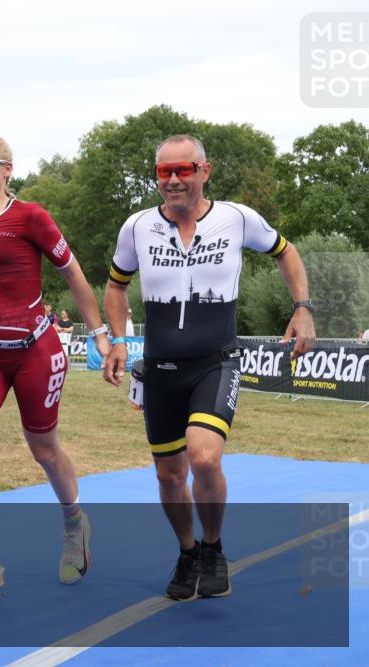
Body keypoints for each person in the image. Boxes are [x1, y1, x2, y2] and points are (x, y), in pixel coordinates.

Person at [102, 134, 316, 601]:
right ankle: (188, 552)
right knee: (169, 475)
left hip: (215, 363)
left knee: (204, 456)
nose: (174, 180)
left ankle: (214, 548)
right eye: (164, 172)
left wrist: (302, 307)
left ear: (204, 170)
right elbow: (115, 286)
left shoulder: (237, 219)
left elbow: (287, 252)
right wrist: (118, 340)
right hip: (160, 370)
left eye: (183, 169)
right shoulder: (137, 226)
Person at [0, 134, 110, 596]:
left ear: (8, 169)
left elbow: (73, 273)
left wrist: (98, 333)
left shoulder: (30, 216)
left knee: (44, 451)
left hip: (36, 350)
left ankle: (75, 525)